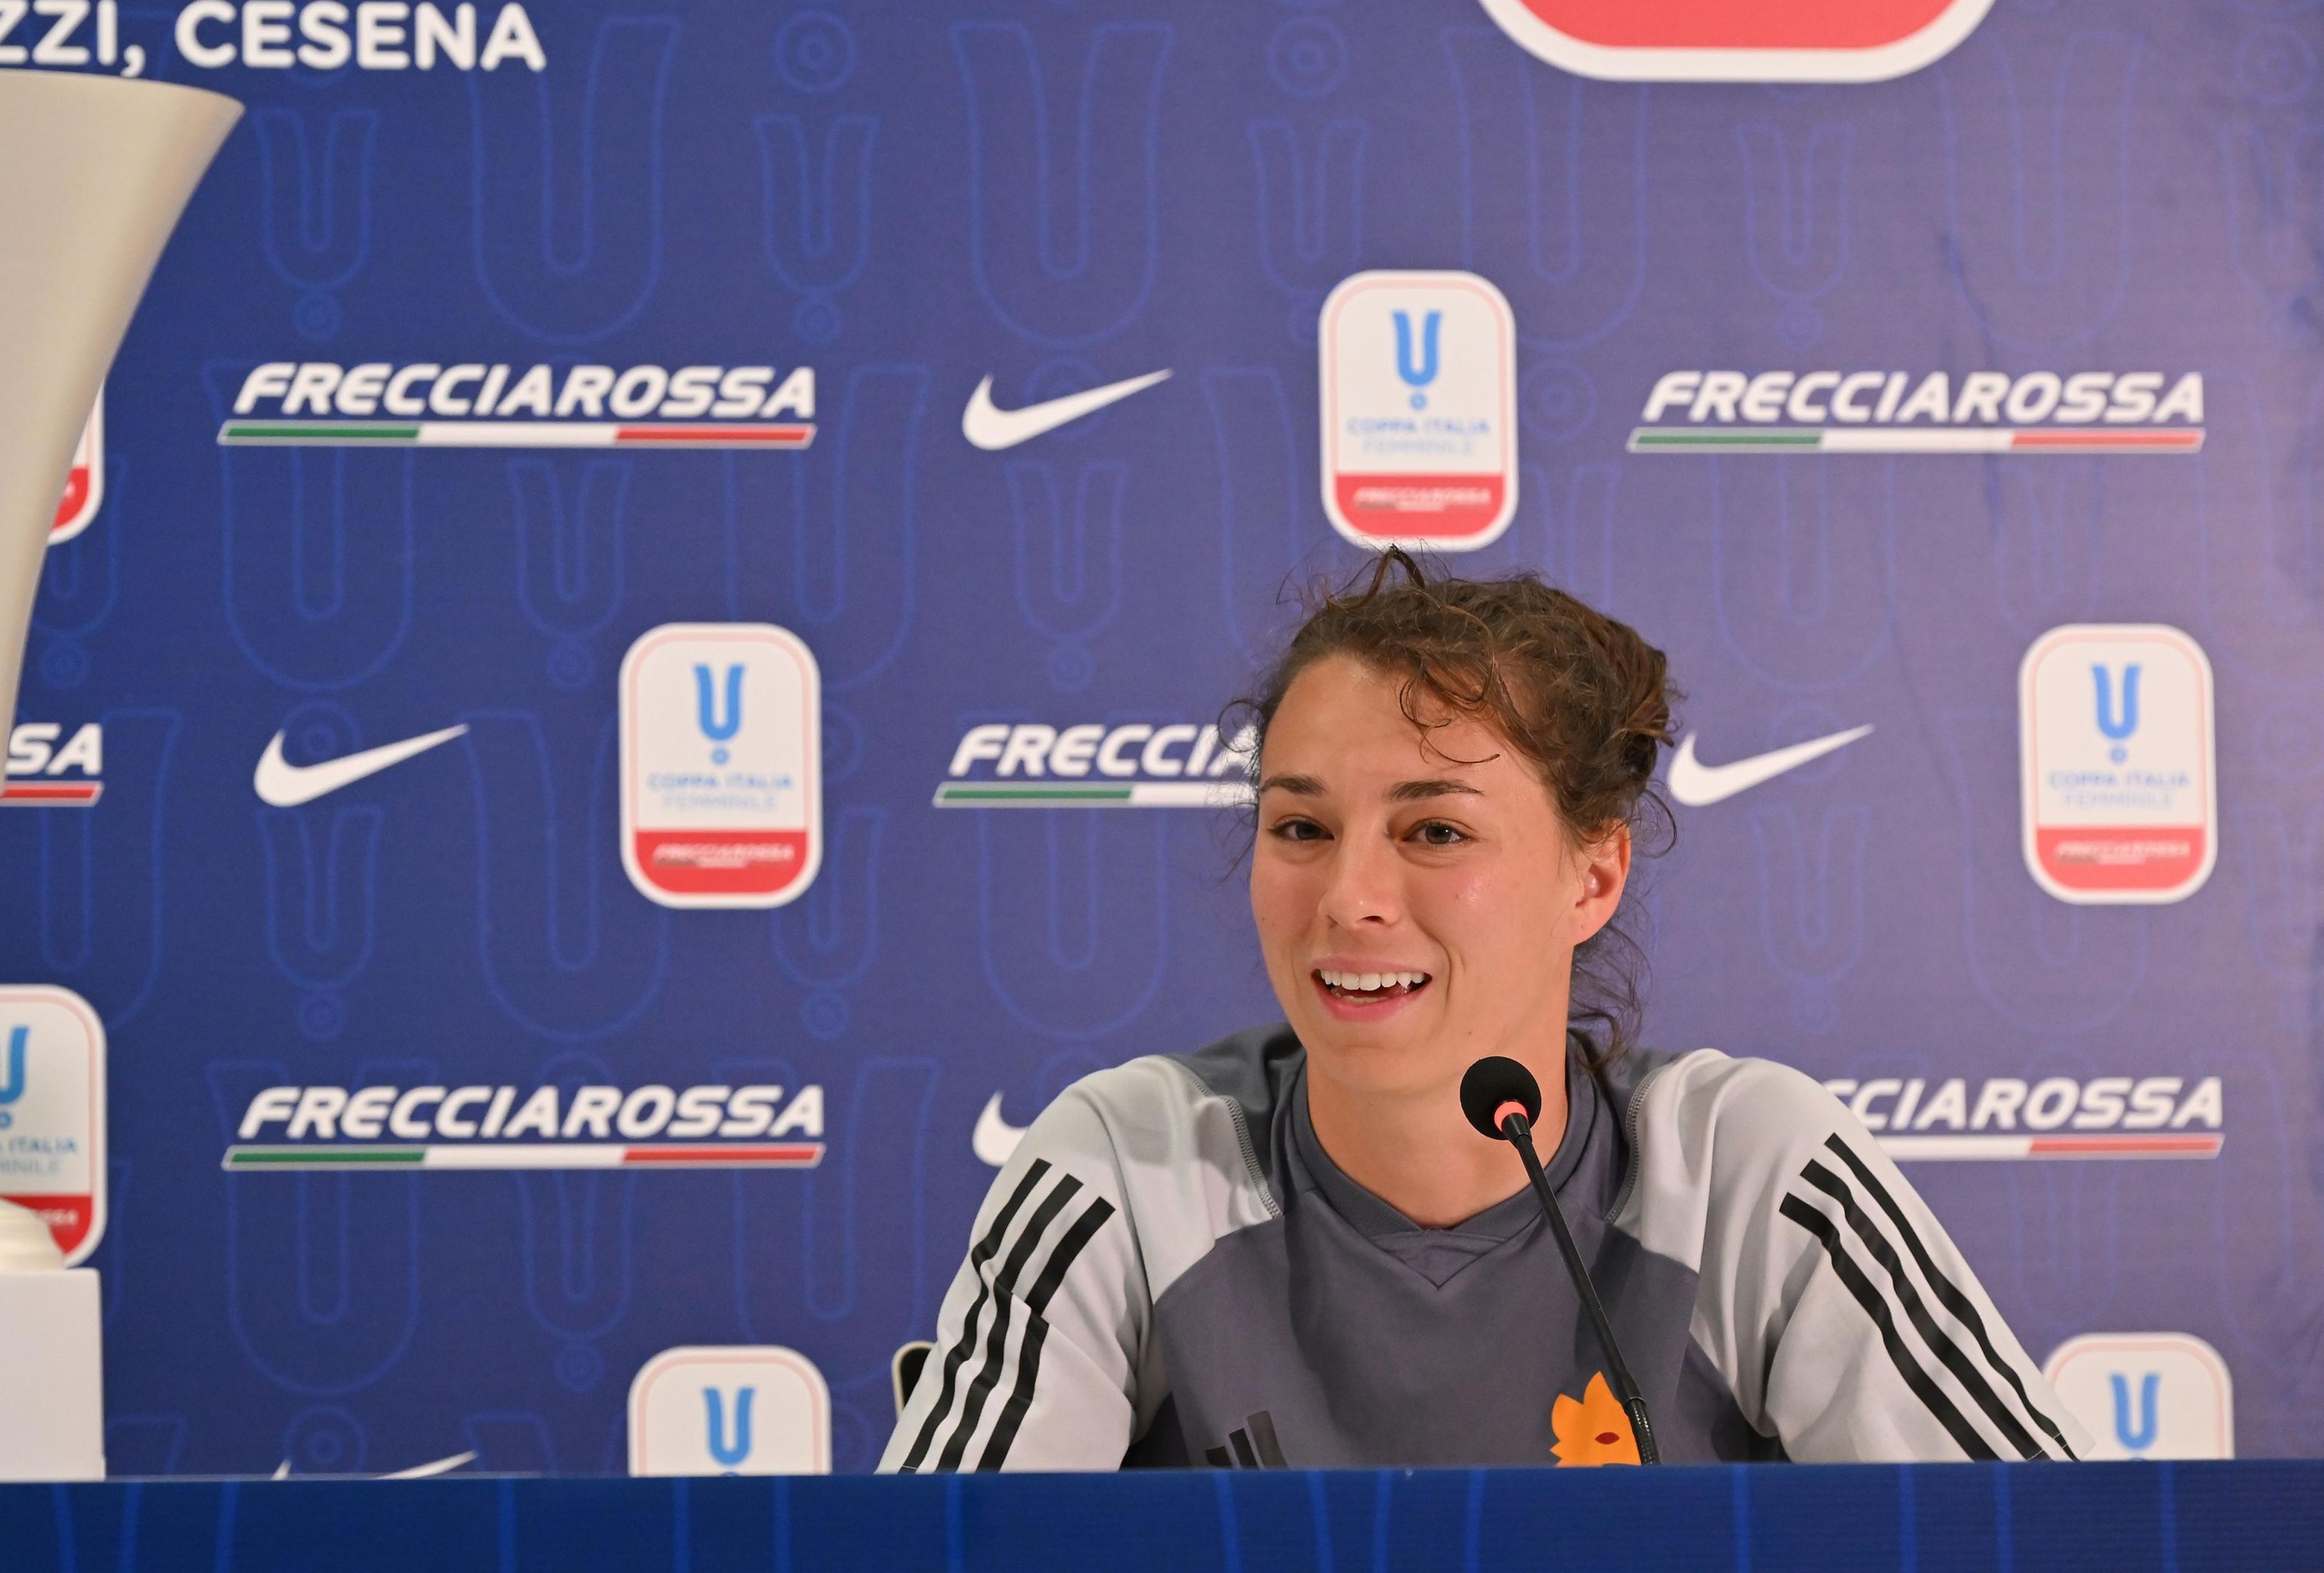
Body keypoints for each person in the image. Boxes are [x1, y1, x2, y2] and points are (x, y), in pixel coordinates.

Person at [883, 552, 2079, 1470]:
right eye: (1300, 827)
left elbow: (2047, 1547)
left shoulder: (1748, 1172)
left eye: (1436, 831)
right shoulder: (1126, 1166)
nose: (1348, 897)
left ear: (1592, 877)